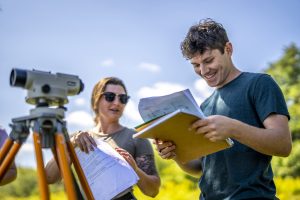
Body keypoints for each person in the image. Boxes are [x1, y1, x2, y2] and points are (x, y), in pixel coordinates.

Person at [154, 18, 292, 200]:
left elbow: (283, 144)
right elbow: (201, 169)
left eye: (208, 60)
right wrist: (175, 154)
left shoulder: (259, 84)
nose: (203, 71)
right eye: (196, 65)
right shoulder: (203, 107)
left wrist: (233, 128)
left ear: (228, 49)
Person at [45, 77, 161, 199]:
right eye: (110, 96)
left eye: (122, 98)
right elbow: (49, 177)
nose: (117, 102)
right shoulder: (77, 138)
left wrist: (135, 170)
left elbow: (153, 191)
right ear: (96, 99)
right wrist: (71, 143)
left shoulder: (136, 138)